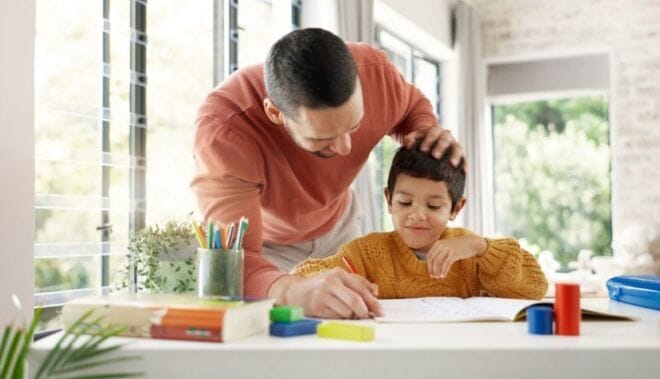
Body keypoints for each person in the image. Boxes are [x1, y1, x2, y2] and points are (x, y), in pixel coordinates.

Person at [191, 28, 466, 319]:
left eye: (354, 126)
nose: (346, 148)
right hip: (269, 249)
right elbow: (233, 261)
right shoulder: (224, 132)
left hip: (340, 223)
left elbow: (410, 107)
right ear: (275, 113)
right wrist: (291, 291)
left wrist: (424, 131)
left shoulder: (375, 74)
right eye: (323, 139)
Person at [291, 142, 548, 301]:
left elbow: (535, 287)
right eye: (405, 203)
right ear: (389, 200)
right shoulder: (366, 254)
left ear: (456, 207)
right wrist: (333, 284)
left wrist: (482, 247)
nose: (417, 214)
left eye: (434, 206)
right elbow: (301, 277)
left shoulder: (470, 254)